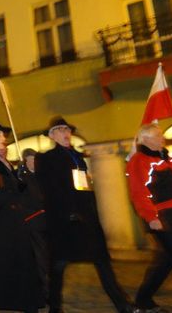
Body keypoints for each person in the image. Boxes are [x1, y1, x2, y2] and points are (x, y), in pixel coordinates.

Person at [35, 116, 138, 313]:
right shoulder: (47, 158)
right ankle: (55, 308)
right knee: (58, 266)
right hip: (64, 223)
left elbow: (84, 187)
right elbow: (50, 190)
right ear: (52, 135)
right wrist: (67, 213)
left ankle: (123, 305)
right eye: (60, 130)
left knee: (102, 261)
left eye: (67, 129)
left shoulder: (78, 157)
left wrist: (89, 213)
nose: (66, 133)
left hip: (86, 220)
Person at [0, 120, 44, 313]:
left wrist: (21, 174)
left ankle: (27, 302)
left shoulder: (6, 160)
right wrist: (6, 181)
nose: (3, 139)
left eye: (4, 135)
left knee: (23, 259)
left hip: (15, 218)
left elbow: (18, 187)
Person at [127, 124, 172, 313]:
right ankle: (142, 301)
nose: (163, 138)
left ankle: (143, 301)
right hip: (163, 218)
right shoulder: (139, 161)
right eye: (158, 135)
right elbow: (139, 192)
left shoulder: (168, 159)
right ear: (146, 140)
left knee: (166, 261)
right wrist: (151, 217)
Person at [18, 148, 49, 299]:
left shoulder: (40, 176)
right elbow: (23, 199)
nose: (34, 162)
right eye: (31, 159)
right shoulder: (23, 178)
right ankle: (44, 291)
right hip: (33, 222)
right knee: (40, 258)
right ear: (26, 161)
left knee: (45, 256)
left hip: (44, 221)